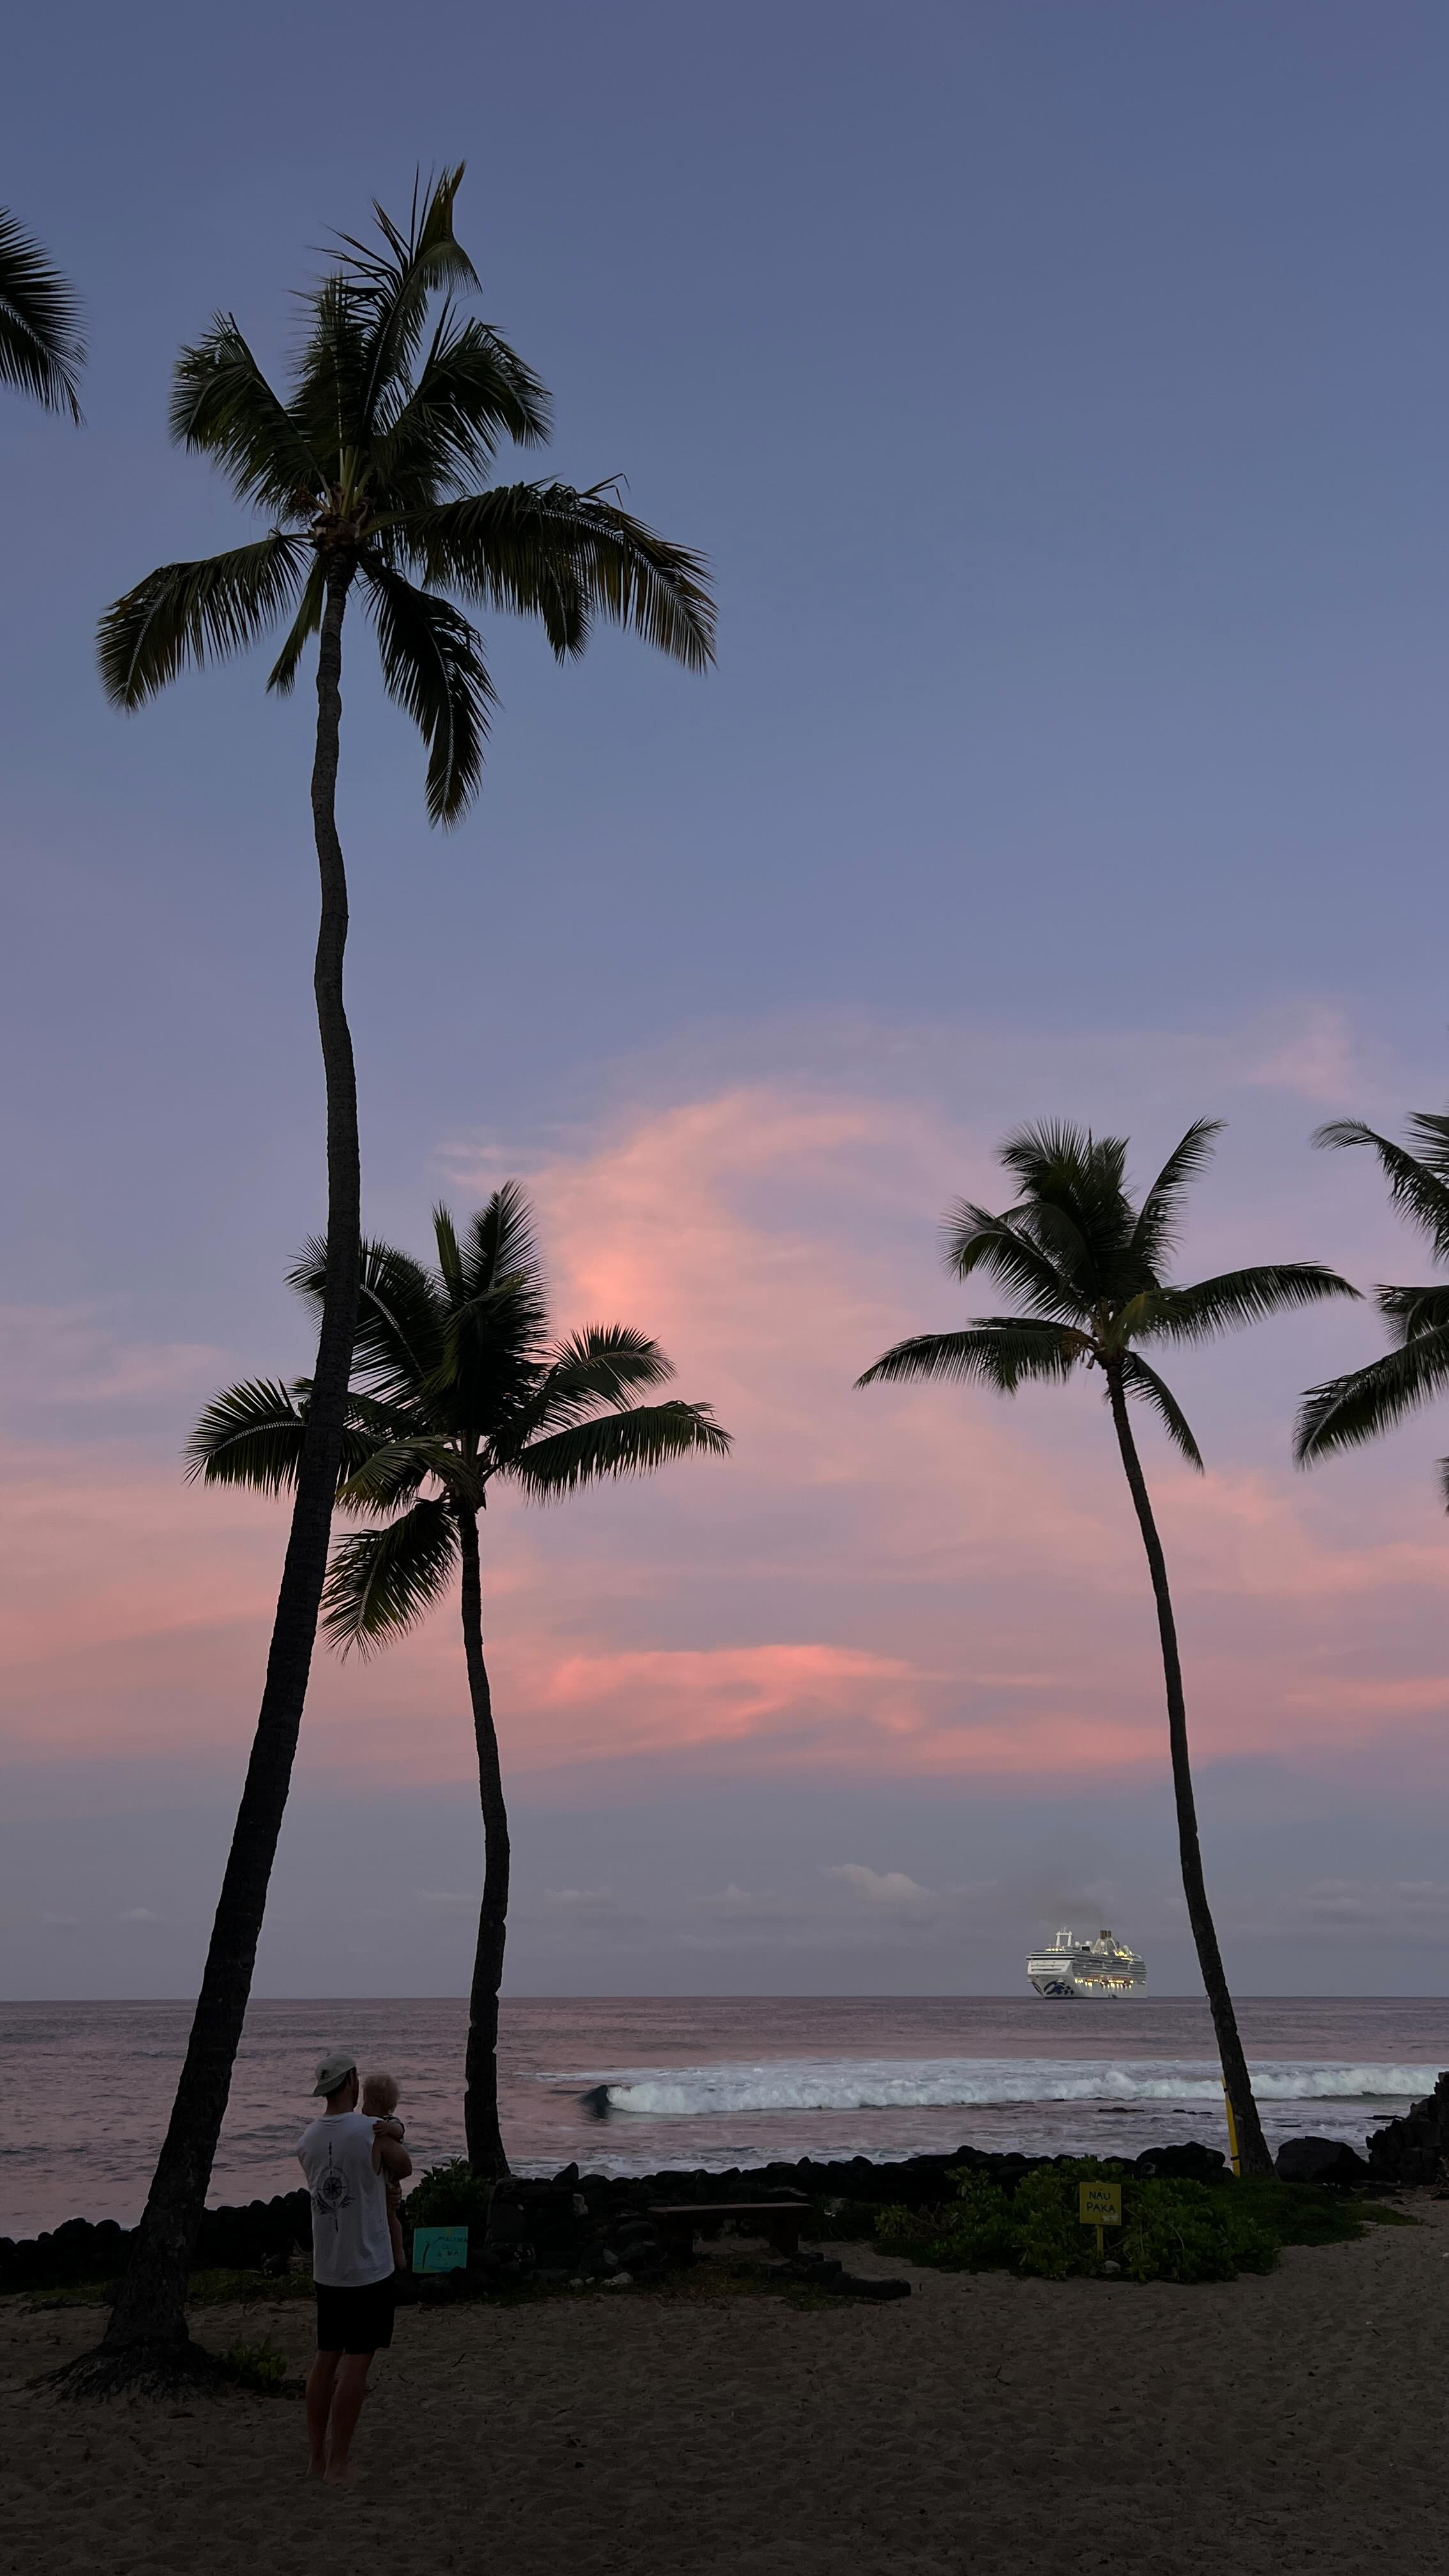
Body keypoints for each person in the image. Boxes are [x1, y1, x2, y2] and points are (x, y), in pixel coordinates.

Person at [296, 2048, 412, 2484]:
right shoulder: (370, 2131)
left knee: (326, 2360)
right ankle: (339, 2463)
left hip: (328, 2266)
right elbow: (404, 2166)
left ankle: (315, 2460)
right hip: (367, 2266)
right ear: (351, 2083)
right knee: (356, 2366)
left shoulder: (306, 2139)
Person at [359, 2069, 408, 2275]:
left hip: (389, 2179)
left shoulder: (389, 2122)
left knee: (390, 2216)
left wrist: (389, 2129)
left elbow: (400, 2131)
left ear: (376, 2102)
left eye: (366, 2101)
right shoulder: (371, 2126)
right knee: (387, 2216)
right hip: (383, 2176)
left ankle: (399, 2254)